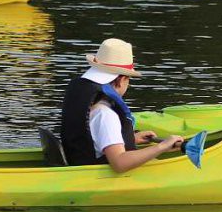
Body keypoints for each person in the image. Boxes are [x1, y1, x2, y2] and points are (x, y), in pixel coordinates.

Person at [59, 38, 184, 172]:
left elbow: (89, 139)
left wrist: (130, 139)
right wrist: (162, 147)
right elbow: (120, 163)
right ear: (121, 80)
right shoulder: (105, 114)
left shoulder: (90, 103)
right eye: (128, 79)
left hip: (78, 163)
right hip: (94, 177)